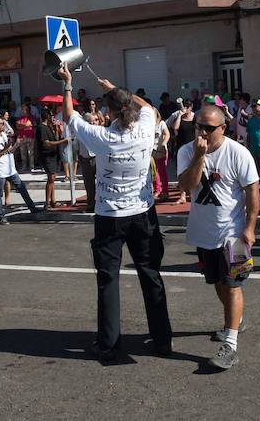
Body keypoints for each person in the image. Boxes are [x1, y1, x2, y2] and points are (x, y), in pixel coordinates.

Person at [57, 64, 173, 361]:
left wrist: (68, 84)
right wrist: (114, 90)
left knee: (108, 279)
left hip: (110, 216)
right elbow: (147, 107)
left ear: (109, 112)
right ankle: (162, 339)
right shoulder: (146, 126)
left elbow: (70, 117)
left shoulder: (103, 137)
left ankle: (108, 343)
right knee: (150, 274)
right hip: (143, 214)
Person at [178, 105, 259, 370]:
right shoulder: (187, 151)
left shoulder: (238, 153)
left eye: (208, 128)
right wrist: (199, 156)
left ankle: (231, 344)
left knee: (233, 284)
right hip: (203, 234)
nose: (201, 132)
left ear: (223, 128)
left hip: (233, 235)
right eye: (198, 126)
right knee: (218, 283)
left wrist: (249, 228)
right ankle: (237, 320)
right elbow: (187, 186)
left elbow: (252, 191)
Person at [0, 116, 39, 223]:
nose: (4, 125)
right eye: (2, 123)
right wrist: (7, 146)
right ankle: (1, 215)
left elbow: (10, 151)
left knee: (22, 188)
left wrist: (16, 144)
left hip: (10, 169)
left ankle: (32, 208)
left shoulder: (4, 135)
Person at [38, 110, 66, 209]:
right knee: (50, 178)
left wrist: (55, 128)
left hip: (53, 156)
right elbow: (46, 143)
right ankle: (47, 203)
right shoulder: (42, 128)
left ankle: (53, 200)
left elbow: (55, 139)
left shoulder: (49, 128)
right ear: (48, 117)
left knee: (52, 178)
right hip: (47, 156)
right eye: (52, 116)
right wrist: (63, 141)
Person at [171, 100, 197, 204]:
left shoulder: (195, 119)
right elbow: (175, 128)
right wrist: (179, 116)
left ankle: (193, 194)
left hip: (193, 148)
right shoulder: (179, 118)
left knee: (194, 172)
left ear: (191, 107)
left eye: (187, 107)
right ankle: (182, 196)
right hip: (181, 148)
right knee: (181, 172)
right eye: (184, 106)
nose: (185, 108)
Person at [77, 113, 99, 213]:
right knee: (89, 185)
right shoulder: (80, 133)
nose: (93, 123)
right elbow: (77, 148)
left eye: (95, 120)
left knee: (101, 184)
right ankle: (90, 206)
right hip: (85, 160)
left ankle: (101, 205)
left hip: (97, 159)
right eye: (91, 121)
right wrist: (80, 159)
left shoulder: (99, 132)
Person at [152, 110, 170, 200]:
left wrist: (163, 144)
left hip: (160, 150)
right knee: (154, 172)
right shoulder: (148, 124)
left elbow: (167, 134)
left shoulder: (161, 123)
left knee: (162, 171)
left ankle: (165, 191)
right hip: (151, 151)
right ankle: (157, 190)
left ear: (156, 114)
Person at [15, 103, 36, 173]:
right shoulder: (21, 118)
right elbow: (17, 126)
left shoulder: (31, 117)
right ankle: (24, 166)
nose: (22, 111)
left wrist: (21, 125)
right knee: (23, 153)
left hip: (29, 136)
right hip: (21, 137)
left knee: (30, 152)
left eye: (23, 109)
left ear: (27, 110)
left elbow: (28, 124)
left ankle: (31, 166)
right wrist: (24, 126)